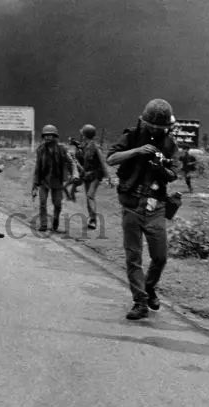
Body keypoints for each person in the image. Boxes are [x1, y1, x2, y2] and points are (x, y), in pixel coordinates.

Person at [107, 99, 178, 320]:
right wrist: (137, 151)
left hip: (156, 206)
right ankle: (140, 302)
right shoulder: (131, 136)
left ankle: (148, 287)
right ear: (144, 121)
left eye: (160, 127)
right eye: (152, 126)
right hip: (131, 203)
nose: (156, 130)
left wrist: (161, 168)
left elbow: (174, 173)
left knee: (160, 257)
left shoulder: (170, 144)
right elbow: (111, 159)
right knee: (133, 256)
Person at [31, 124, 79, 232]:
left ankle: (55, 220)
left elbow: (71, 162)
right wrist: (35, 184)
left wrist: (75, 174)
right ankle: (43, 224)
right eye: (46, 135)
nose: (48, 137)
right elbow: (38, 167)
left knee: (57, 203)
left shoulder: (62, 149)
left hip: (57, 180)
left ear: (54, 136)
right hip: (44, 180)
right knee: (42, 202)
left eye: (50, 135)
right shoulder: (40, 149)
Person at [73, 124, 113, 229]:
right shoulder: (83, 146)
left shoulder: (95, 147)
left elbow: (102, 162)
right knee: (88, 197)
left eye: (83, 134)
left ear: (85, 135)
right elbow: (81, 160)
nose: (82, 136)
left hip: (95, 175)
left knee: (90, 195)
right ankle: (91, 218)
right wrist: (77, 150)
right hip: (87, 175)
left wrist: (108, 177)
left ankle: (93, 220)